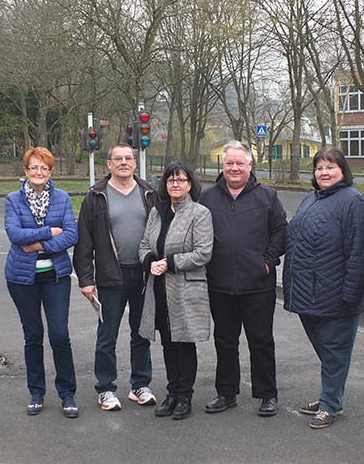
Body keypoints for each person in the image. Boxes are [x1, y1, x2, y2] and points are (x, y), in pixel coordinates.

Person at [283, 147, 364, 429]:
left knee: (335, 351)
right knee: (327, 351)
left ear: (343, 171)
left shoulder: (354, 202)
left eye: (330, 167)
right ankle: (330, 395)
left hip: (338, 296)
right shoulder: (311, 197)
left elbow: (361, 252)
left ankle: (331, 404)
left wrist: (350, 294)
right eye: (319, 168)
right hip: (308, 293)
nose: (323, 173)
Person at [199, 140, 287, 417]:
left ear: (250, 165)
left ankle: (267, 394)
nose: (234, 168)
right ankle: (226, 393)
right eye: (229, 163)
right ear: (222, 166)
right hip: (220, 284)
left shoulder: (268, 196)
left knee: (261, 341)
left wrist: (267, 262)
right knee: (225, 340)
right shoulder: (208, 197)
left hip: (257, 285)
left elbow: (281, 232)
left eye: (240, 163)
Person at [74, 143, 157, 411]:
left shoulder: (150, 193)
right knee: (107, 335)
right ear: (108, 164)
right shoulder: (96, 197)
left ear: (135, 163)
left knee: (141, 333)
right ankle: (106, 388)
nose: (123, 162)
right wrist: (86, 280)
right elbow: (84, 243)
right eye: (117, 159)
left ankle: (140, 385)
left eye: (128, 158)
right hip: (111, 276)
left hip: (144, 274)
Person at [4, 147, 79, 419]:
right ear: (25, 171)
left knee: (60, 335)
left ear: (50, 171)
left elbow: (71, 234)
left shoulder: (61, 198)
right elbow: (14, 233)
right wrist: (48, 232)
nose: (39, 173)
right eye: (34, 167)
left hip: (55, 276)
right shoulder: (13, 200)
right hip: (22, 279)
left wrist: (35, 244)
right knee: (33, 336)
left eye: (44, 168)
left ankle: (67, 393)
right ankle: (36, 391)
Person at [138, 163, 213, 420]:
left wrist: (170, 263)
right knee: (168, 343)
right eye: (170, 180)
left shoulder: (199, 213)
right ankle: (171, 393)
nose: (175, 185)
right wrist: (150, 261)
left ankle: (185, 396)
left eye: (181, 180)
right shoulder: (157, 213)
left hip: (185, 288)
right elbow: (145, 244)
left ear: (190, 184)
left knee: (184, 342)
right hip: (159, 288)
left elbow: (203, 252)